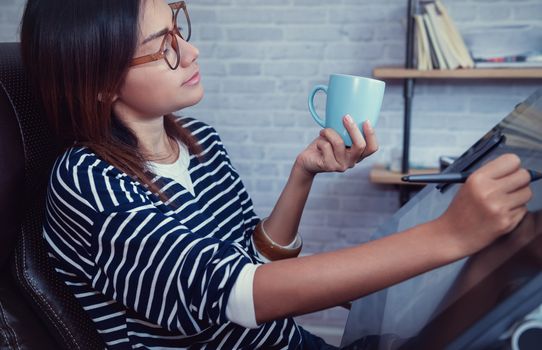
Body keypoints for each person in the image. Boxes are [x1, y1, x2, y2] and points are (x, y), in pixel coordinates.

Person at [20, 0, 533, 349]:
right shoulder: (86, 181)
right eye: (162, 46)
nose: (191, 51)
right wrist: (448, 234)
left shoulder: (199, 142)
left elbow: (254, 257)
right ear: (98, 81)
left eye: (179, 29)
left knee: (517, 245)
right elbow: (238, 294)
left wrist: (302, 174)